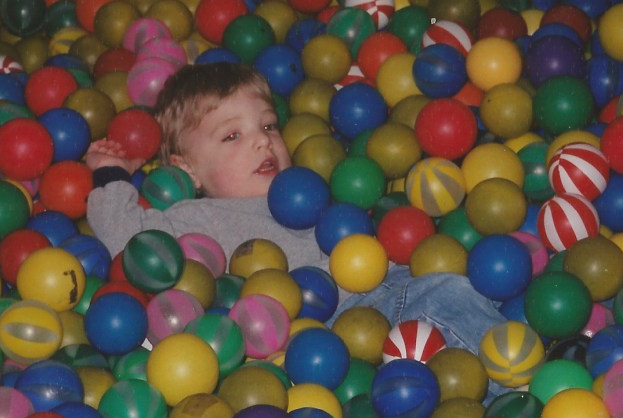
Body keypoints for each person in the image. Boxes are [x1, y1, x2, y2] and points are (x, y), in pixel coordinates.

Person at [86, 61, 506, 381]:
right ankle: (518, 383)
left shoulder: (310, 189)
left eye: (269, 125)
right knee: (444, 296)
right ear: (188, 170)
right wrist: (111, 173)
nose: (262, 139)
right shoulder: (195, 218)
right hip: (324, 329)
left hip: (383, 293)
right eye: (232, 135)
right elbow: (131, 242)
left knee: (467, 287)